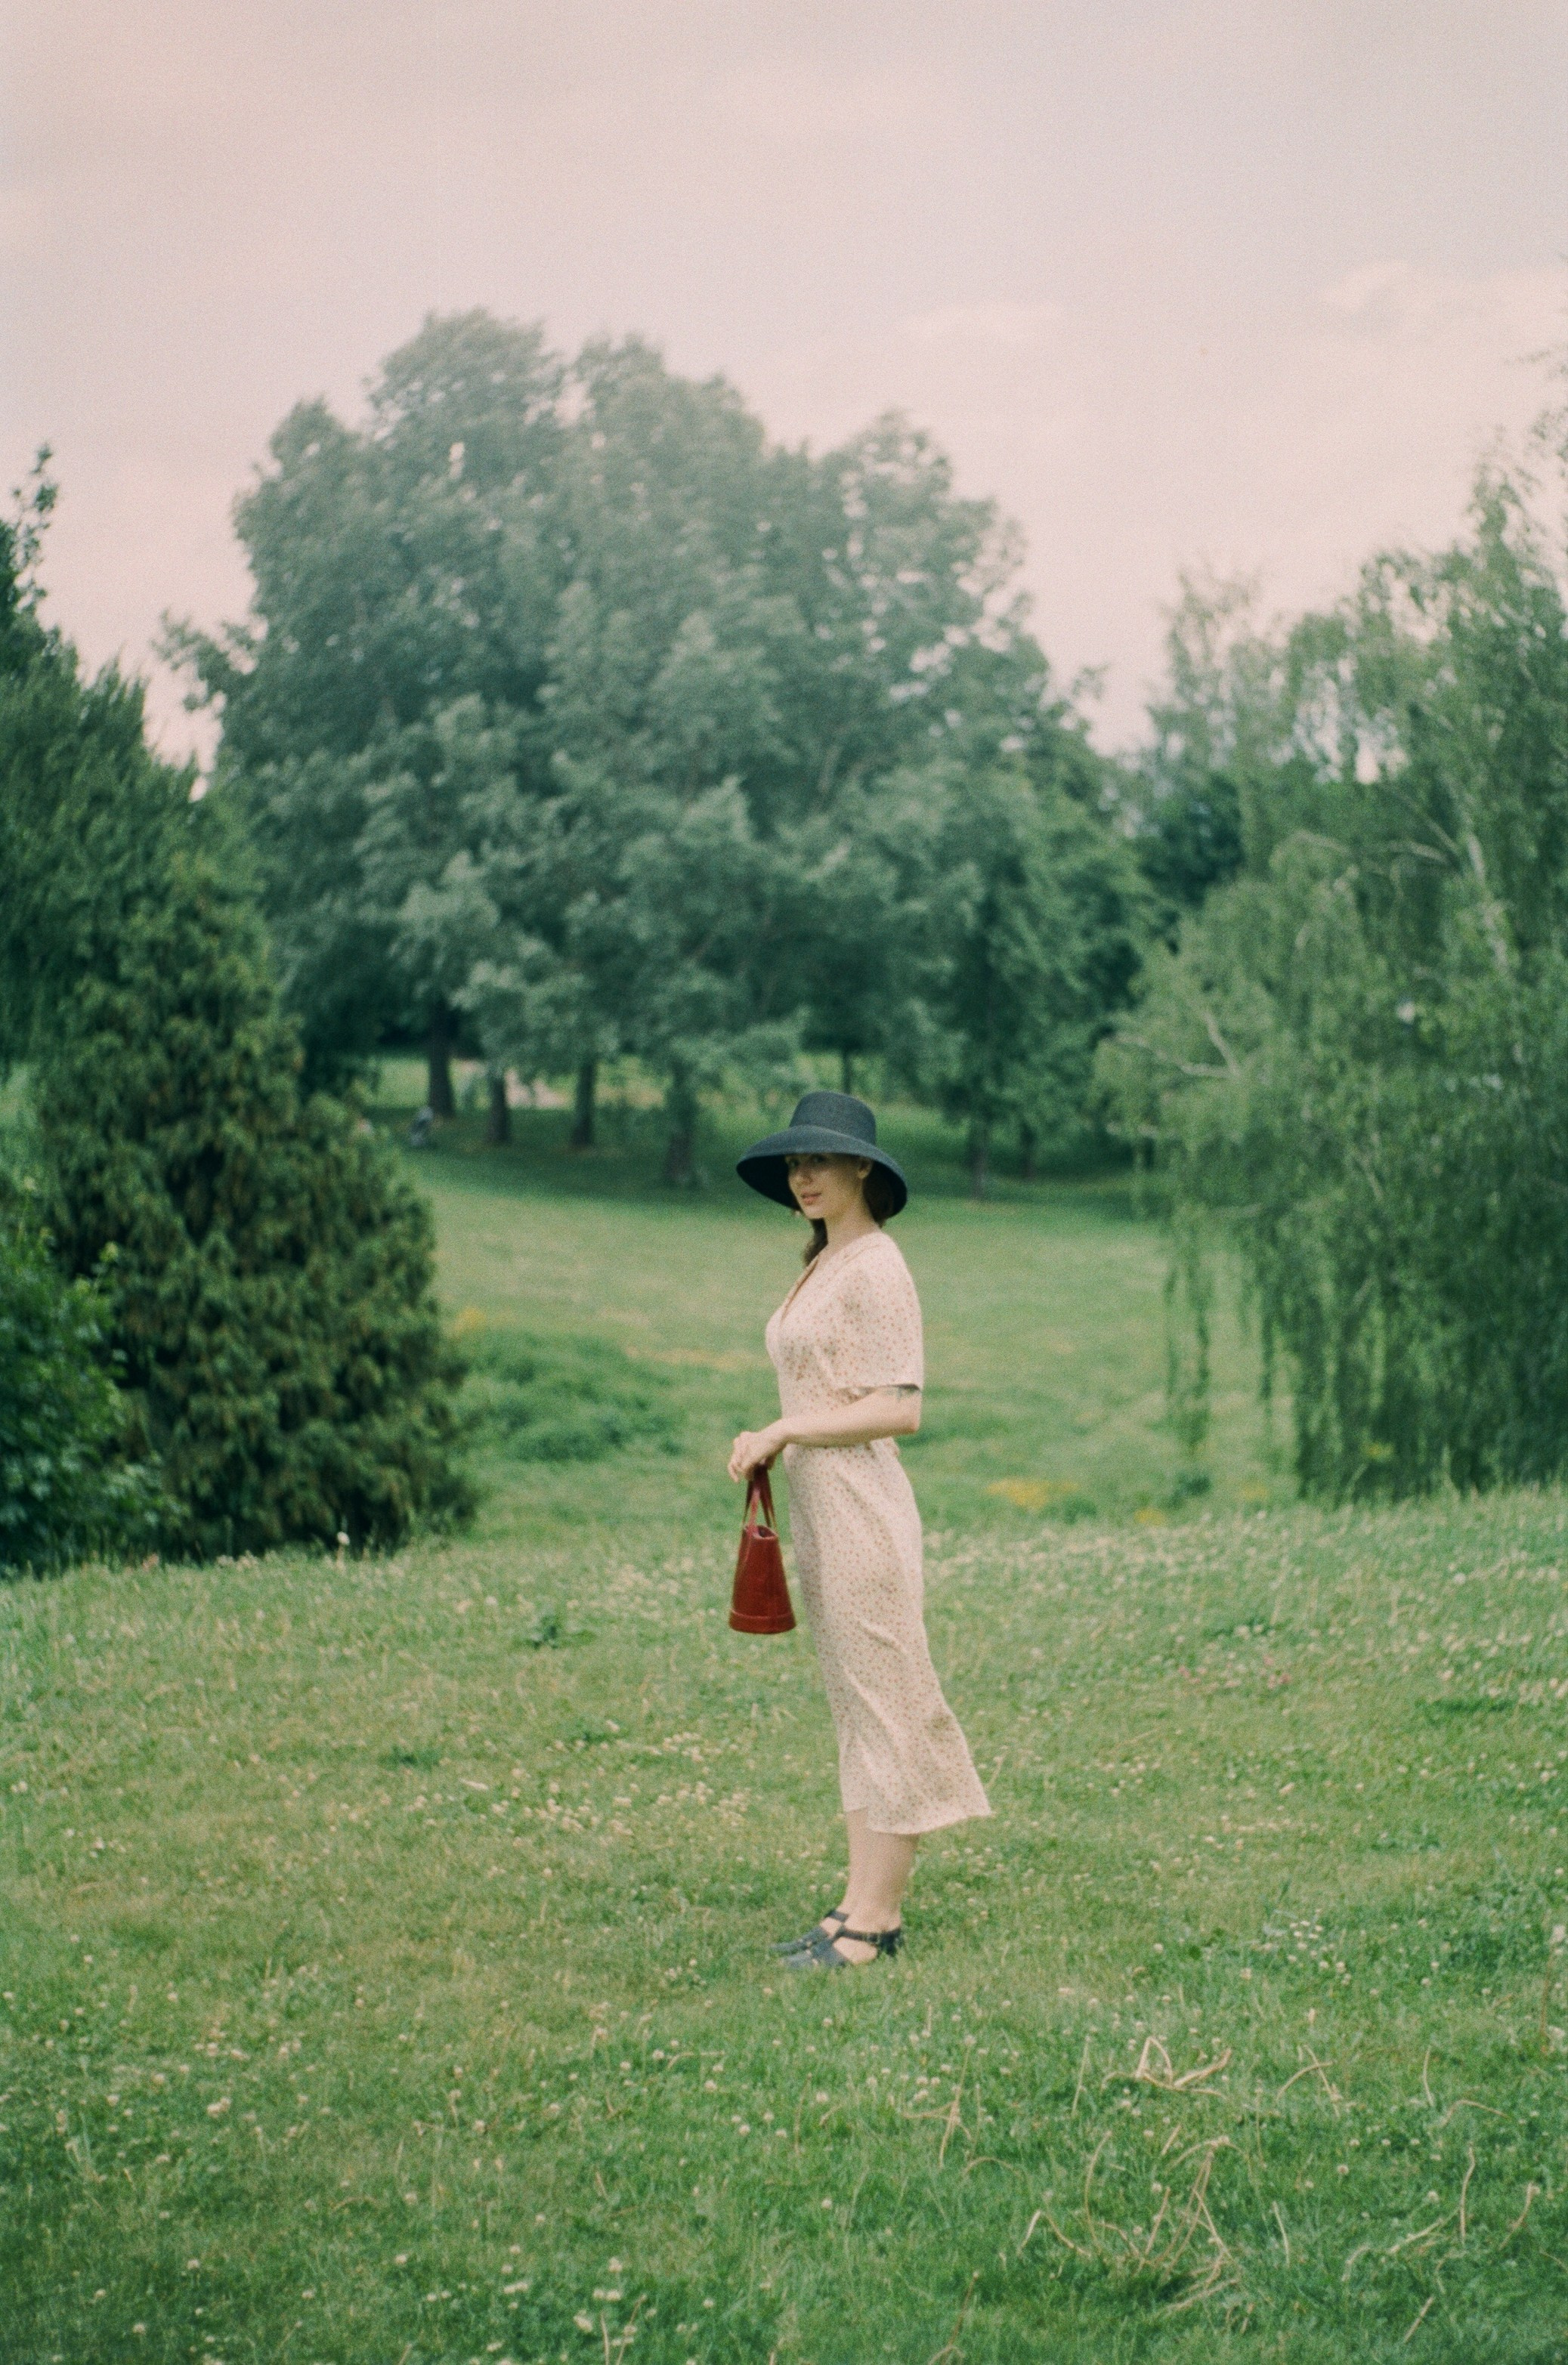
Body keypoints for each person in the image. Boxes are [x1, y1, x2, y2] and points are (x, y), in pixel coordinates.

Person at [729, 1090, 990, 1970]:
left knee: (886, 1701)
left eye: (820, 1162)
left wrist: (786, 1428)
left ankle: (876, 1923)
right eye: (794, 1165)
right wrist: (775, 1437)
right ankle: (851, 1905)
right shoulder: (823, 1261)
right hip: (821, 1507)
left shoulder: (877, 1264)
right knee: (854, 1705)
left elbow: (899, 1407)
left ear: (862, 1171)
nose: (802, 1176)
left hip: (861, 1508)